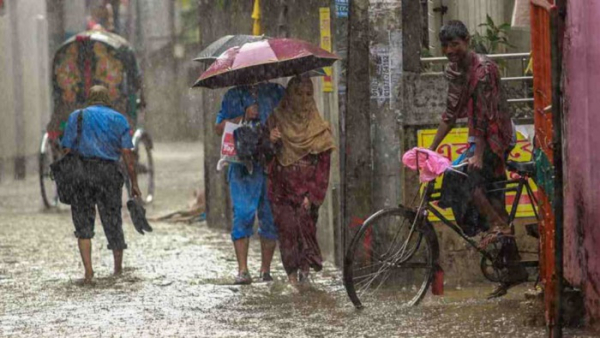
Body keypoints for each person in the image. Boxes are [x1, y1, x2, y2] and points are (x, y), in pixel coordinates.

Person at [428, 21, 528, 298]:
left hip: (496, 136)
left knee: (466, 179)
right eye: (446, 47)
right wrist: (431, 149)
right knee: (494, 199)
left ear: (467, 41)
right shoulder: (456, 71)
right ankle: (515, 267)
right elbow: (450, 113)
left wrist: (480, 154)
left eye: (455, 45)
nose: (450, 51)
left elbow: (487, 115)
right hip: (479, 135)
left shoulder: (484, 70)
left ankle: (498, 228)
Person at [61, 85, 140, 284]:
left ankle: (88, 272)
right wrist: (134, 183)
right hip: (109, 175)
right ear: (107, 99)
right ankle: (117, 270)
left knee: (83, 225)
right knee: (113, 220)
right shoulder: (119, 119)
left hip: (81, 175)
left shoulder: (76, 117)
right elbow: (127, 156)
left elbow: (66, 150)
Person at [214, 82, 285, 284]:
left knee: (270, 217)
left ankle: (265, 270)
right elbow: (219, 128)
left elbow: (288, 118)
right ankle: (243, 270)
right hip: (242, 167)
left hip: (269, 164)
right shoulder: (232, 95)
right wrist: (242, 117)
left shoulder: (276, 92)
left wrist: (273, 131)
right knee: (243, 213)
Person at [267, 76, 335, 286]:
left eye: (308, 94)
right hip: (282, 190)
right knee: (287, 232)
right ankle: (292, 278)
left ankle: (305, 274)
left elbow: (323, 167)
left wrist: (312, 195)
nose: (303, 99)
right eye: (298, 93)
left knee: (305, 233)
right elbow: (265, 156)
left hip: (306, 192)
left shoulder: (319, 128)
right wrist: (271, 140)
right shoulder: (275, 120)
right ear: (289, 95)